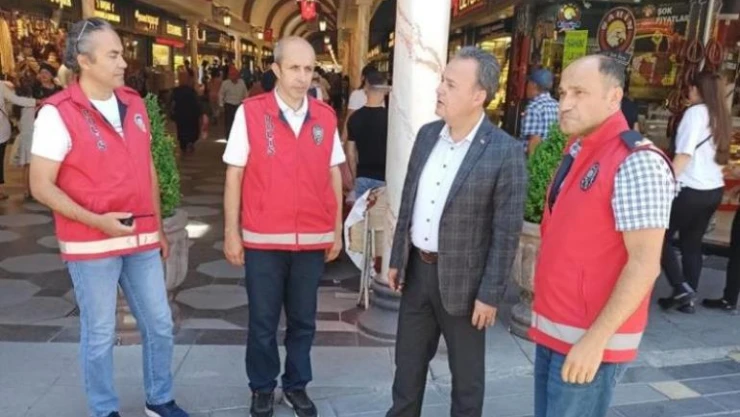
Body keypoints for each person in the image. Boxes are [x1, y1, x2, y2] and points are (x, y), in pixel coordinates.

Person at [29, 18, 189, 417]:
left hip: (141, 238)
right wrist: (96, 220)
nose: (123, 63)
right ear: (85, 61)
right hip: (90, 243)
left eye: (122, 54)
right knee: (100, 332)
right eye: (113, 55)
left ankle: (160, 399)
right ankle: (104, 409)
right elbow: (40, 185)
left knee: (160, 323)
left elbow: (147, 168)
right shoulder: (58, 113)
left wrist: (157, 227)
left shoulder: (134, 103)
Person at [529, 55, 675, 417]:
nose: (565, 104)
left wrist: (595, 341)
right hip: (556, 332)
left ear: (614, 97)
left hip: (587, 341)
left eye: (579, 93)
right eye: (563, 92)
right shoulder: (578, 149)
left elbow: (644, 265)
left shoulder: (636, 161)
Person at [386, 47, 526, 417]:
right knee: (406, 370)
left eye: (450, 84)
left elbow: (506, 232)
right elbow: (409, 201)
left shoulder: (504, 151)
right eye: (441, 81)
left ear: (478, 96)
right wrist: (398, 257)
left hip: (467, 286)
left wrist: (490, 295)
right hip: (418, 274)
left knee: (466, 382)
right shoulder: (427, 135)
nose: (439, 89)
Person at [222, 36, 344, 417]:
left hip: (312, 238)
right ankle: (262, 386)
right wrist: (231, 232)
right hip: (263, 239)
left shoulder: (325, 116)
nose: (302, 76)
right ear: (276, 69)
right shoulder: (251, 113)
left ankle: (296, 384)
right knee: (262, 321)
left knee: (304, 320)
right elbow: (234, 174)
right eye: (294, 68)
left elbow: (334, 174)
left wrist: (336, 229)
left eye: (309, 68)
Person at [658, 71, 731, 313]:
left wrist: (667, 182)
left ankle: (680, 288)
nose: (688, 92)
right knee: (692, 243)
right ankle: (688, 298)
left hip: (690, 188)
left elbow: (684, 154)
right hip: (713, 188)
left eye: (690, 88)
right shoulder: (720, 115)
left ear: (699, 90)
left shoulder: (695, 113)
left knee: (659, 237)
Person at [346, 70, 389, 202]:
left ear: (366, 89)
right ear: (385, 90)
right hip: (384, 178)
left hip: (362, 175)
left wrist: (356, 176)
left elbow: (350, 153)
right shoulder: (390, 118)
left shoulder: (354, 118)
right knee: (380, 214)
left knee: (361, 213)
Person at [0, 79, 37, 200]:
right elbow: (15, 99)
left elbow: (15, 99)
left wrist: (34, 101)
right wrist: (35, 101)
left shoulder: (1, 86)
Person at [520, 68, 559, 156]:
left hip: (536, 159)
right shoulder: (557, 105)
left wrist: (532, 163)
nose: (526, 87)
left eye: (528, 83)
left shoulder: (534, 107)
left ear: (533, 85)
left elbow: (534, 141)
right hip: (551, 158)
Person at [171, 70, 201, 153]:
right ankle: (189, 142)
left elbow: (172, 102)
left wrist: (172, 112)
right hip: (190, 114)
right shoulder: (191, 91)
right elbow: (196, 102)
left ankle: (184, 144)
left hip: (181, 113)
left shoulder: (176, 91)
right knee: (191, 129)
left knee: (182, 130)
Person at [219, 65, 248, 139]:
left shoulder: (242, 82)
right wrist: (221, 105)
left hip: (239, 105)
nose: (233, 76)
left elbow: (245, 94)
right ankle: (229, 137)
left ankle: (238, 136)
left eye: (234, 74)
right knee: (229, 123)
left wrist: (246, 104)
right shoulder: (225, 83)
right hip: (229, 105)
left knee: (239, 122)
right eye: (231, 75)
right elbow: (221, 94)